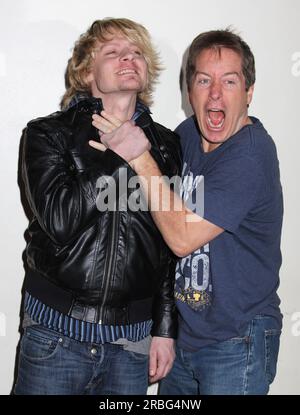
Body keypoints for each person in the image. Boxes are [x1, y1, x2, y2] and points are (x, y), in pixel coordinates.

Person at [91, 29, 283, 395]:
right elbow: (157, 228)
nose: (215, 93)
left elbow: (180, 239)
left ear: (249, 92)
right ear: (188, 91)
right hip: (188, 336)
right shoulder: (187, 136)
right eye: (203, 80)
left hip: (237, 339)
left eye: (230, 81)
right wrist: (163, 329)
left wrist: (140, 157)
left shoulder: (252, 153)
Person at [14, 18, 181, 395]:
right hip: (56, 336)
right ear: (87, 70)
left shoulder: (168, 146)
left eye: (137, 52)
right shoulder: (46, 134)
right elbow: (59, 219)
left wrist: (165, 330)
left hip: (132, 346)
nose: (129, 58)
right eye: (114, 52)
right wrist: (124, 154)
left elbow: (171, 244)